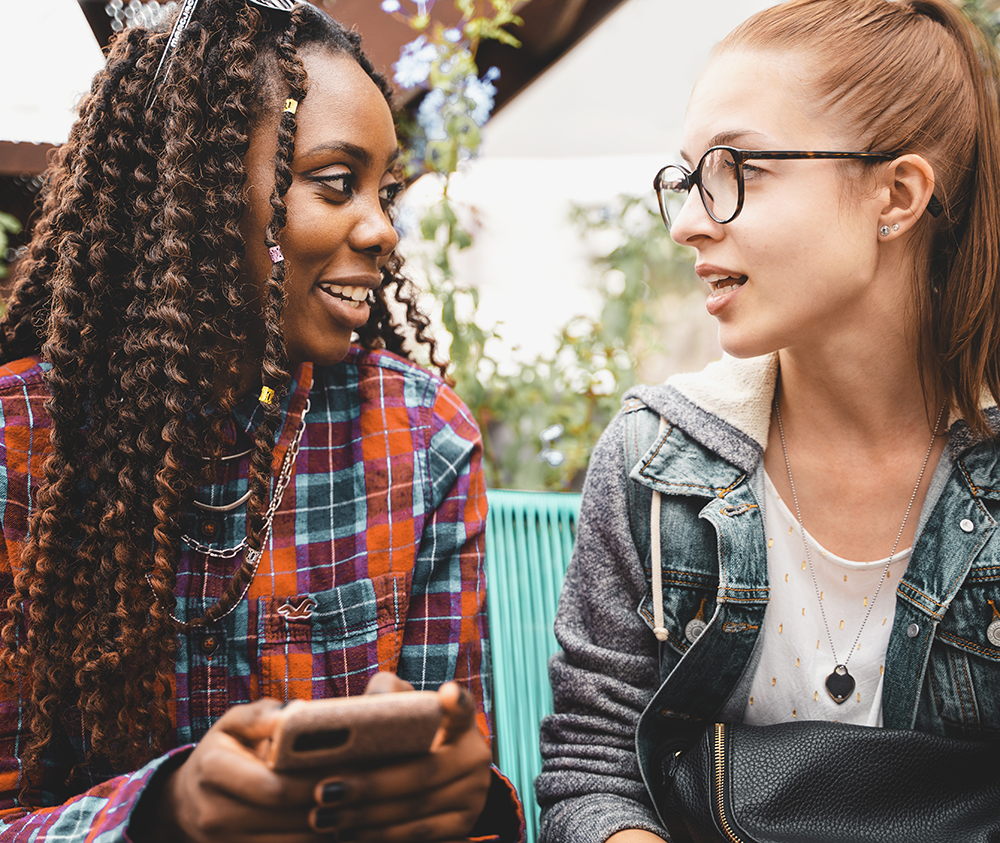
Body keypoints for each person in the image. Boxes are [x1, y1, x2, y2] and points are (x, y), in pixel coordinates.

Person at [0, 2, 523, 841]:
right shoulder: (20, 449)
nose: (383, 228)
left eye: (385, 190)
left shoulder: (422, 440)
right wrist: (164, 810)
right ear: (201, 189)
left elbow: (463, 796)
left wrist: (464, 789)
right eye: (334, 182)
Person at [536, 0, 1000, 840]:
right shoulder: (654, 463)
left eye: (737, 167)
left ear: (895, 195)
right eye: (687, 177)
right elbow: (592, 769)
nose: (686, 222)